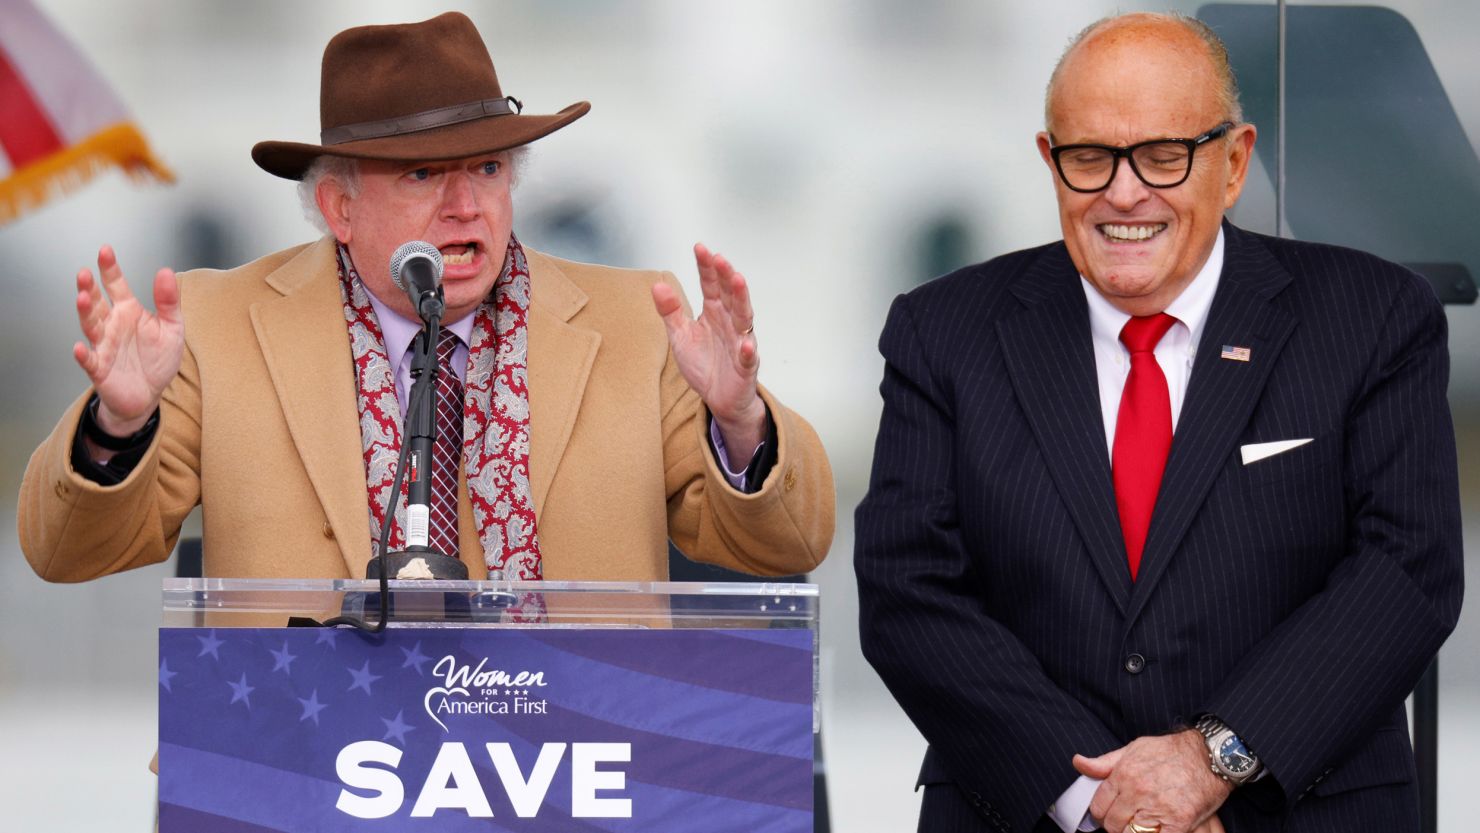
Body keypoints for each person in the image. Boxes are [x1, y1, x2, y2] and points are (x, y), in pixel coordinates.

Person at [855, 12, 1461, 833]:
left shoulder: (1373, 317)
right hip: (1034, 812)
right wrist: (1103, 804)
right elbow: (907, 590)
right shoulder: (944, 331)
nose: (1124, 190)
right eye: (1090, 156)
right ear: (1050, 161)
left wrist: (1209, 760)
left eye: (1163, 155)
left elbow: (1405, 570)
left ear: (1236, 161)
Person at [18, 12, 834, 586]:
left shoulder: (635, 324)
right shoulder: (219, 329)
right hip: (297, 783)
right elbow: (64, 553)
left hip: (574, 784)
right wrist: (117, 424)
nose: (465, 205)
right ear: (339, 208)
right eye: (421, 175)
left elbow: (791, 541)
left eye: (486, 170)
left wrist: (741, 423)